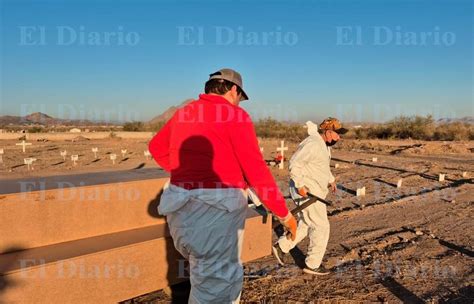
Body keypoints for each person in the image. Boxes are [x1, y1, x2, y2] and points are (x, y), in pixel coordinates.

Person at [148, 68, 297, 303]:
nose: (239, 103)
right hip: (214, 214)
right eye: (240, 97)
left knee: (207, 281)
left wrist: (187, 169)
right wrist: (284, 214)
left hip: (179, 212)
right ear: (233, 89)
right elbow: (256, 171)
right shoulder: (234, 116)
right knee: (216, 291)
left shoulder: (184, 112)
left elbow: (157, 148)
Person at [272, 118, 347, 275]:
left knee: (306, 224)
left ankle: (282, 246)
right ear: (327, 132)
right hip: (307, 191)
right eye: (336, 134)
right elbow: (294, 163)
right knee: (321, 227)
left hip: (314, 190)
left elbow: (321, 167)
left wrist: (331, 180)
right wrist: (300, 185)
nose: (338, 138)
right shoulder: (313, 143)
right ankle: (312, 265)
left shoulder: (323, 146)